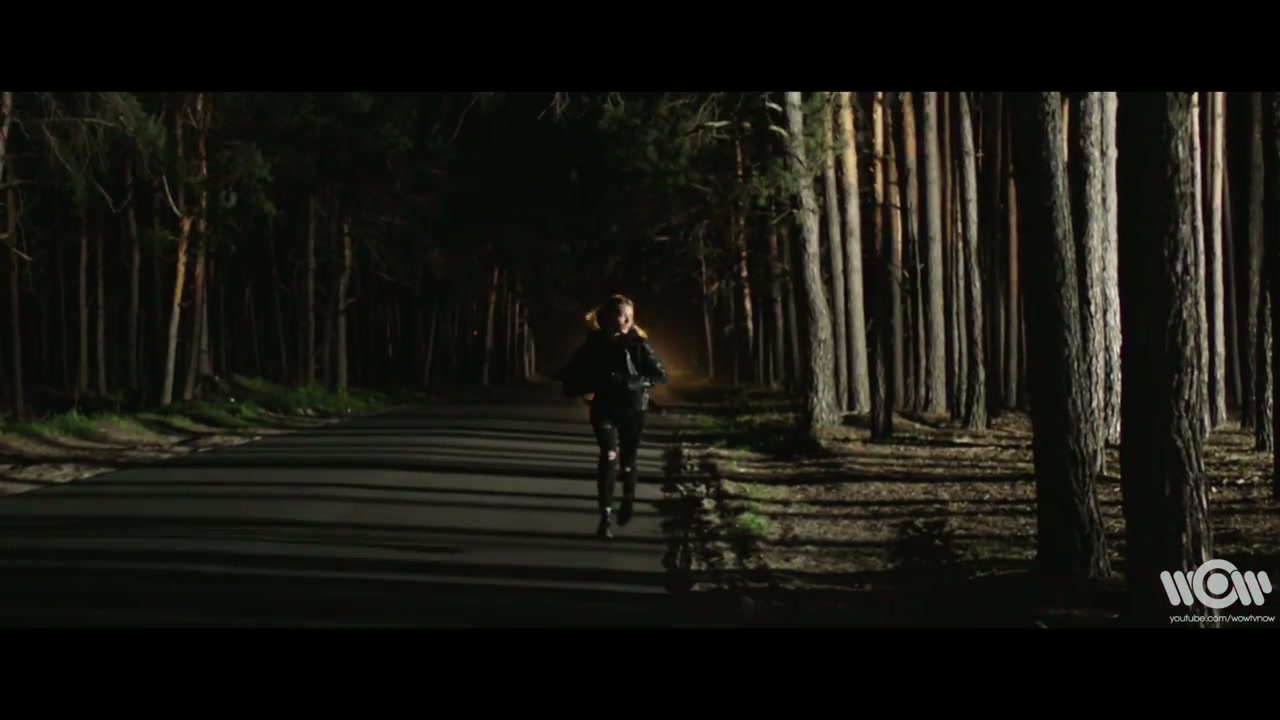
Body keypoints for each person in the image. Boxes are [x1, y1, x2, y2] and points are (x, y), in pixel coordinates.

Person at [558, 294, 669, 539]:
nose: (627, 320)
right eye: (621, 314)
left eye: (630, 315)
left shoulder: (639, 345)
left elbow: (660, 375)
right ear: (606, 317)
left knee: (628, 461)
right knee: (608, 455)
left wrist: (632, 382)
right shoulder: (592, 345)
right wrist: (581, 386)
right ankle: (605, 516)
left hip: (633, 408)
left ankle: (628, 498)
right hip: (604, 407)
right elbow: (571, 372)